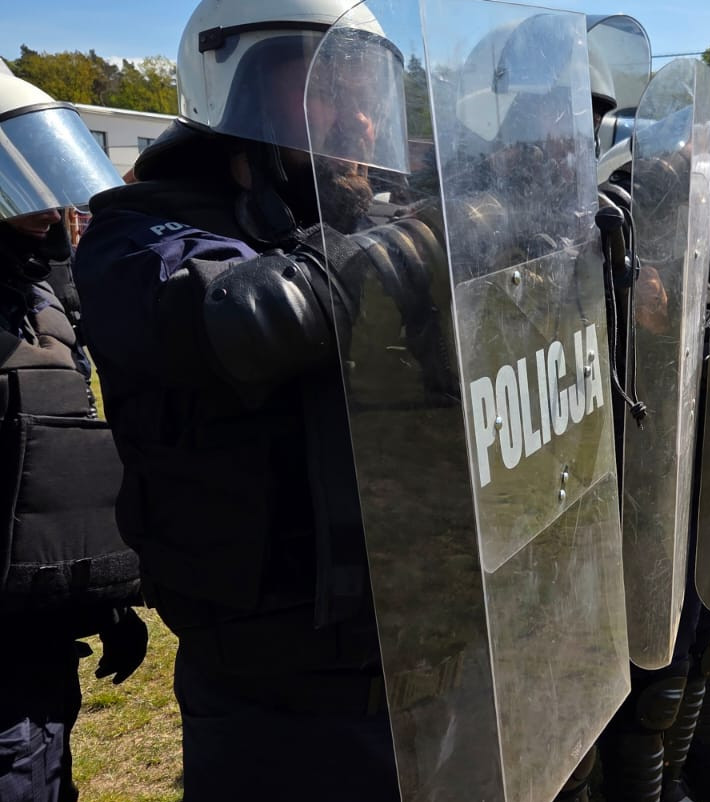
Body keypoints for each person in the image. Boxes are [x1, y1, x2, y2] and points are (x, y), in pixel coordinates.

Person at [70, 2, 433, 799]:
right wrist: (422, 243)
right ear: (244, 89)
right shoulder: (140, 234)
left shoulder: (351, 223)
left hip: (411, 644)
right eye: (332, 84)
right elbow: (243, 315)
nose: (364, 115)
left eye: (367, 85)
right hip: (274, 684)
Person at [0, 73, 146, 802]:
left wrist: (100, 600)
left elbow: (54, 459)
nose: (38, 206)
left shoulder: (41, 302)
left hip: (37, 636)